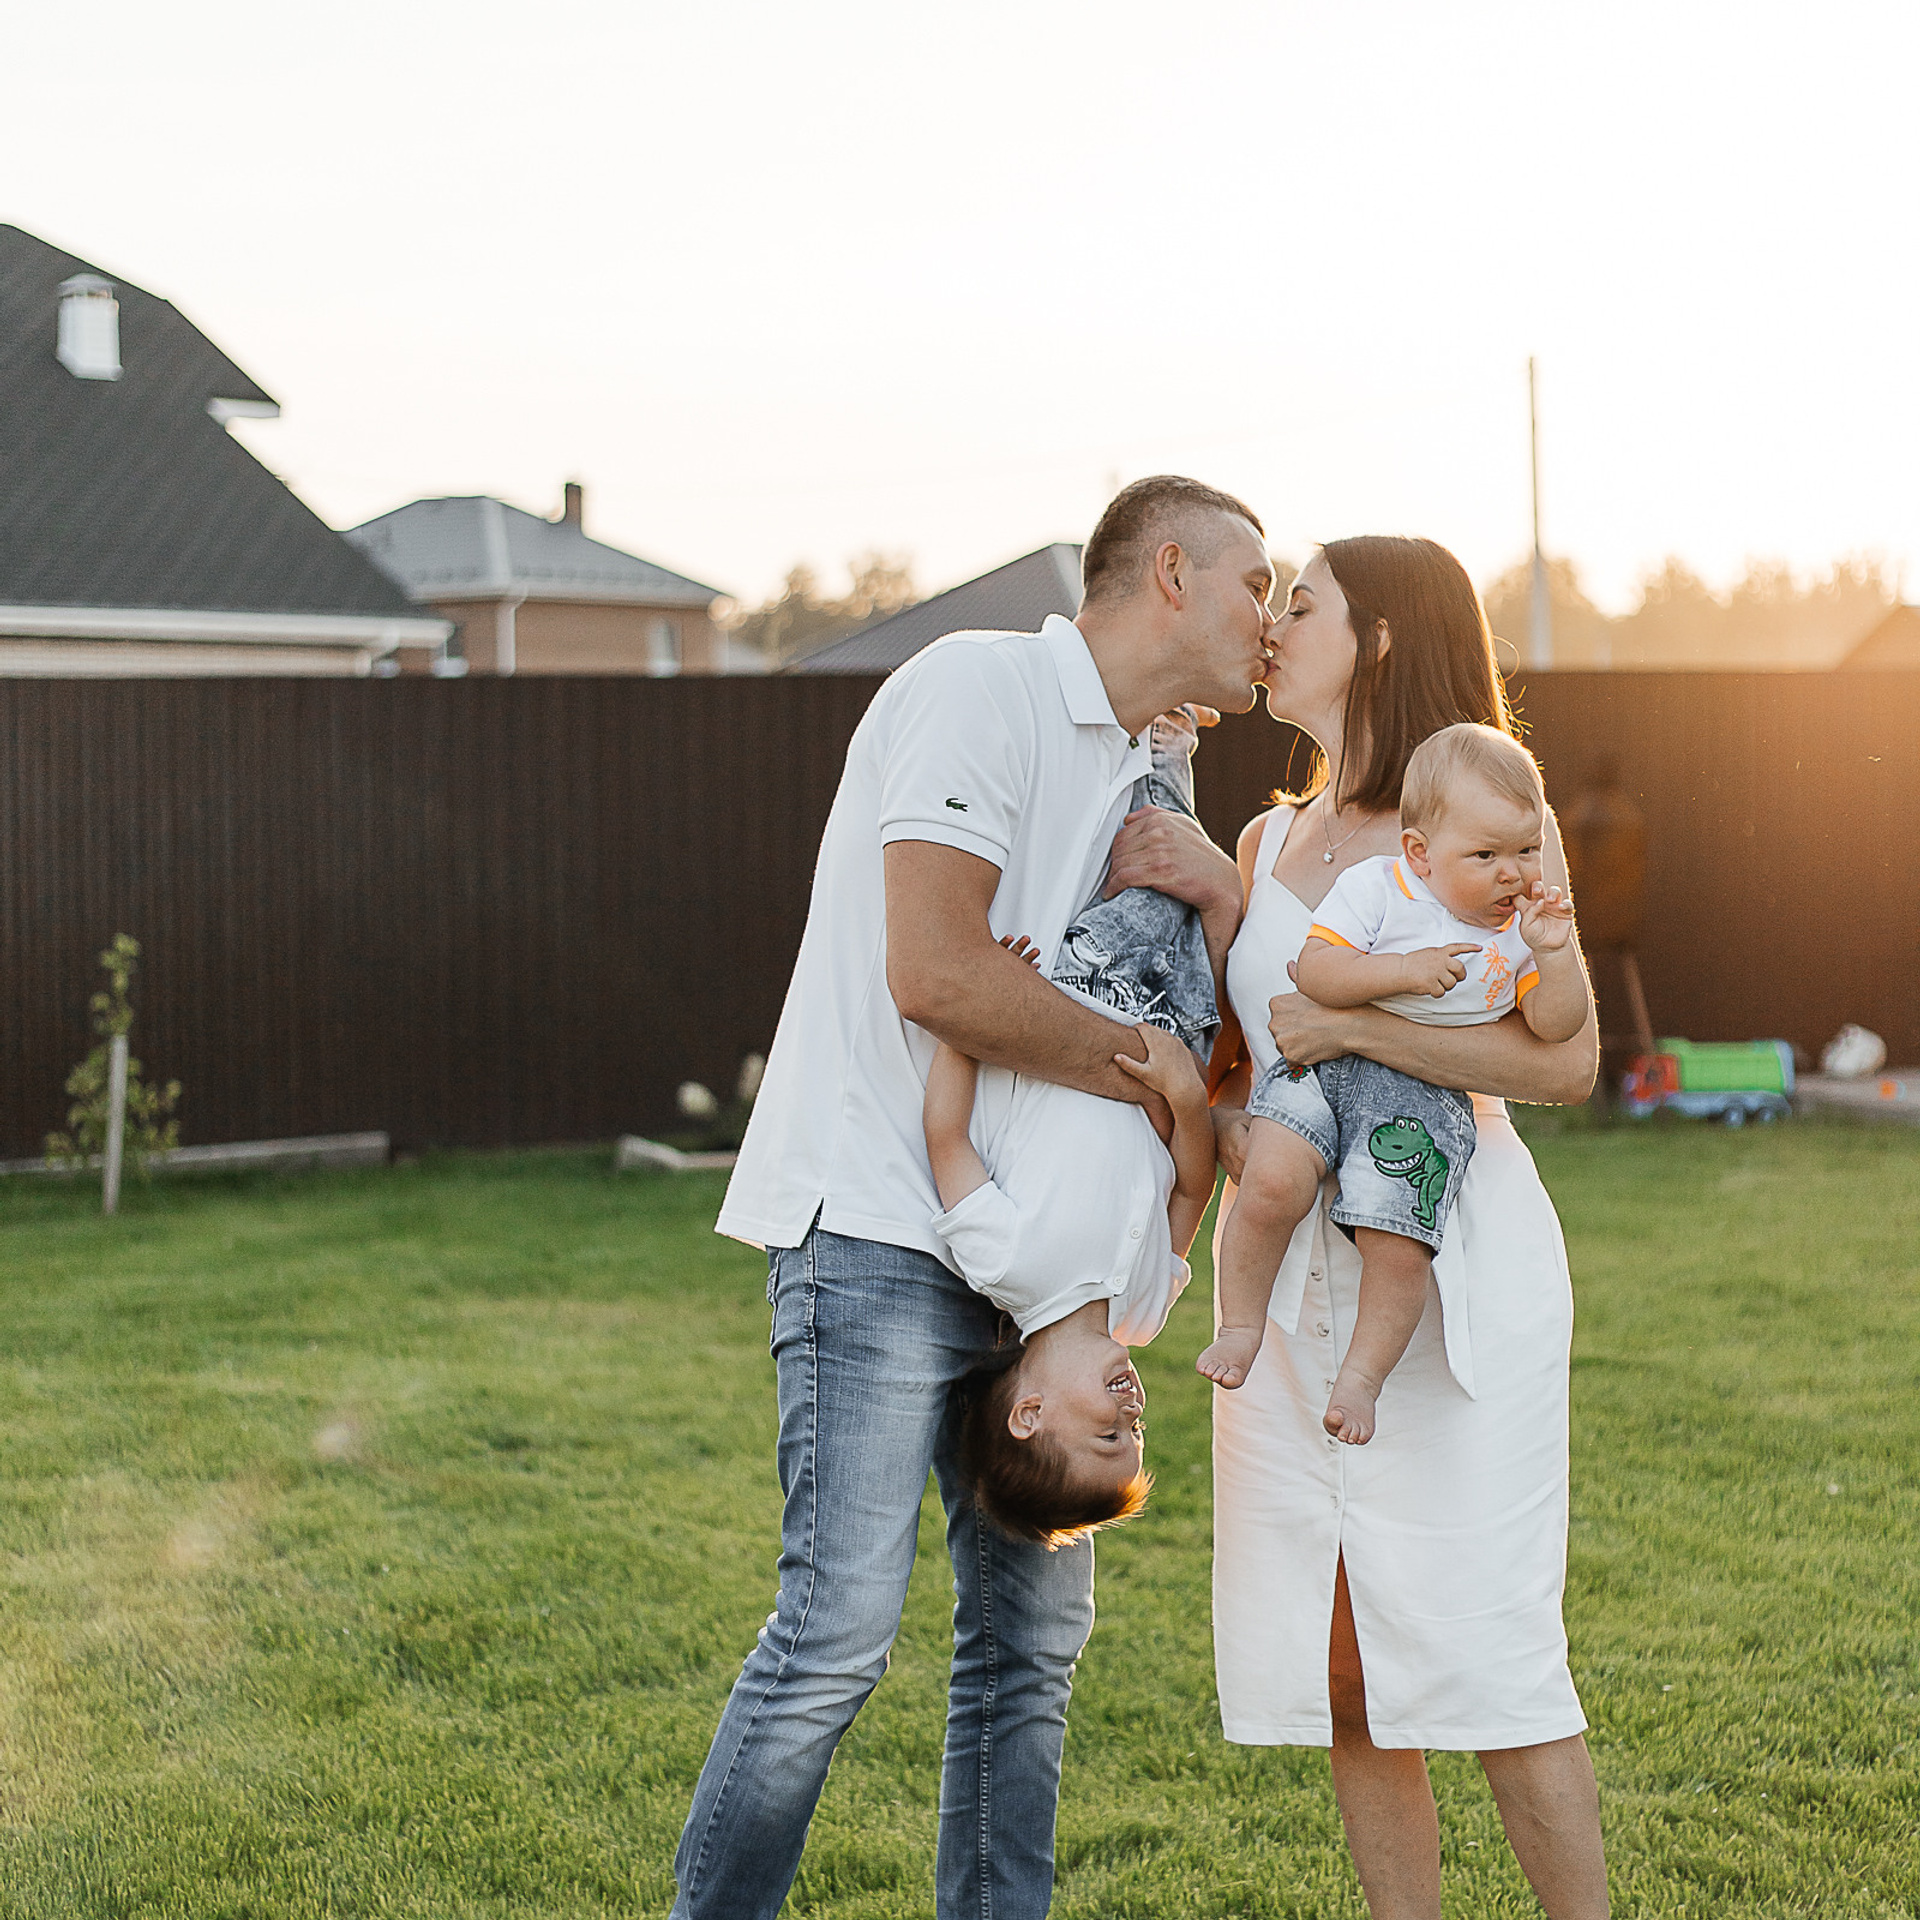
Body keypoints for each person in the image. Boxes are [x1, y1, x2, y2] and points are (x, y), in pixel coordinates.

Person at [676, 476, 1272, 1920]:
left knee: (1028, 1650)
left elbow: (1188, 1014)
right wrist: (1157, 1080)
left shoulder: (1162, 768)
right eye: (1264, 582)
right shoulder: (978, 688)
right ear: (1174, 575)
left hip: (1032, 1280)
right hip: (883, 1218)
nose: (1276, 616)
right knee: (835, 1637)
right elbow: (939, 974)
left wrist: (1196, 1018)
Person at [1182, 536, 1610, 1919]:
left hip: (1441, 1262)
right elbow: (1251, 1066)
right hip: (1293, 1279)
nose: (1271, 624)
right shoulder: (1262, 837)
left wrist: (1352, 1023)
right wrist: (1235, 1125)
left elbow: (1564, 1065)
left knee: (1487, 1649)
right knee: (1346, 1659)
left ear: (1375, 638)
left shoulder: (1475, 827)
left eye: (1299, 603)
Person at [1199, 722, 1589, 1444]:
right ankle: (1242, 1325)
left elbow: (1557, 1028)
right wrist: (1403, 972)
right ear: (1421, 854)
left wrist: (1555, 956)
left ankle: (1361, 1380)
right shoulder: (1378, 888)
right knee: (1273, 1182)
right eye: (1487, 855)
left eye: (1528, 850)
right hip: (1321, 1068)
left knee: (1399, 1241)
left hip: (1421, 1096)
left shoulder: (1515, 934)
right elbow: (1315, 971)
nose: (1514, 873)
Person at [924, 1008, 1217, 1542]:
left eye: (1110, 1433)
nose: (1132, 1409)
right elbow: (1193, 1190)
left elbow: (947, 1137)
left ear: (1029, 1414)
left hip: (1064, 1003)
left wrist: (968, 1021)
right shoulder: (1145, 1312)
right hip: (1155, 1020)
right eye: (1137, 1430)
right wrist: (1189, 1098)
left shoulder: (1006, 1266)